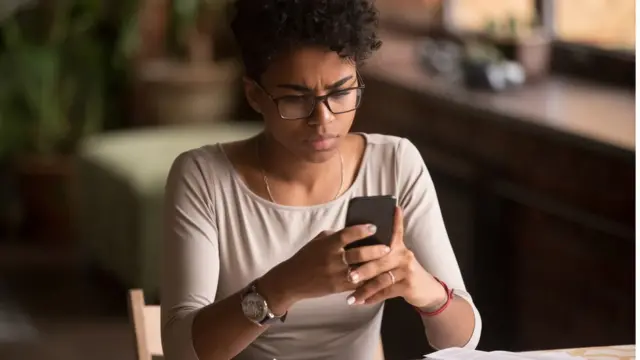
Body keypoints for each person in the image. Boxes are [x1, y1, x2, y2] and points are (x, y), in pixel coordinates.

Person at [160, 0, 481, 359]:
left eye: (341, 92)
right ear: (254, 95)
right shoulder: (204, 178)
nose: (323, 119)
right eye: (297, 99)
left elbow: (463, 340)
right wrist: (282, 286)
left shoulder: (394, 164)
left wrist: (423, 288)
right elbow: (179, 352)